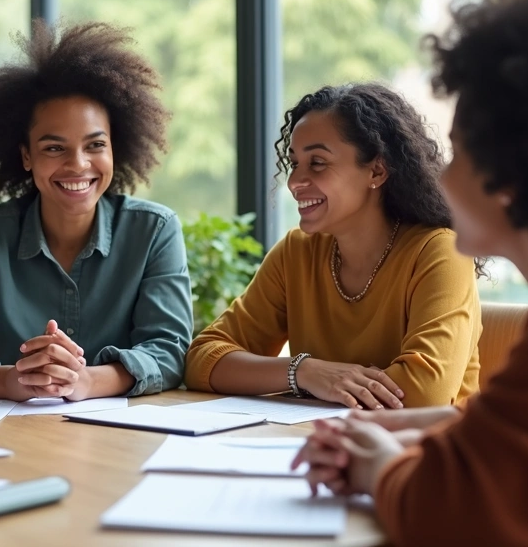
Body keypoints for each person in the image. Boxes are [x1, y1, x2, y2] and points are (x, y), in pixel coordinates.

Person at [295, 0, 528, 546]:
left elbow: (457, 513)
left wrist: (377, 465)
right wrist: (404, 428)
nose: (442, 176)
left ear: (516, 172)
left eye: (462, 151)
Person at [0, 21, 192, 402]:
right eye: (53, 148)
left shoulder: (155, 231)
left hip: (124, 440)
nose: (78, 165)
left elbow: (170, 351)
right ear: (26, 156)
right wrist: (15, 380)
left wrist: (87, 381)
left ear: (117, 147)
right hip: (18, 434)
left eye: (95, 144)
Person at [185, 82, 483, 409]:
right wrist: (304, 371)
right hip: (315, 448)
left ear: (377, 170)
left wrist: (327, 383)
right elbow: (202, 359)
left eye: (318, 162)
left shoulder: (439, 250)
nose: (295, 182)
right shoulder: (297, 251)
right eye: (295, 162)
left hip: (423, 454)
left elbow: (426, 393)